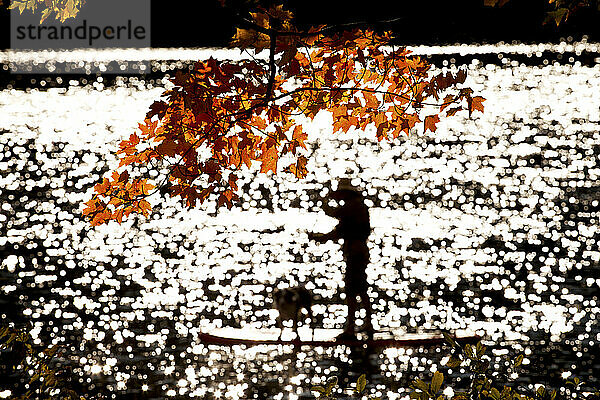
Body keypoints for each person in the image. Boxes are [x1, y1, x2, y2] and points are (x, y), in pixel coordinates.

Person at [307, 178, 373, 340]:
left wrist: (324, 202)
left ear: (345, 193)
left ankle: (351, 328)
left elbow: (335, 217)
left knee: (352, 290)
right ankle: (367, 324)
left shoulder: (352, 207)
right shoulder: (357, 206)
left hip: (355, 253)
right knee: (361, 289)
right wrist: (321, 237)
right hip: (359, 252)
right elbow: (340, 229)